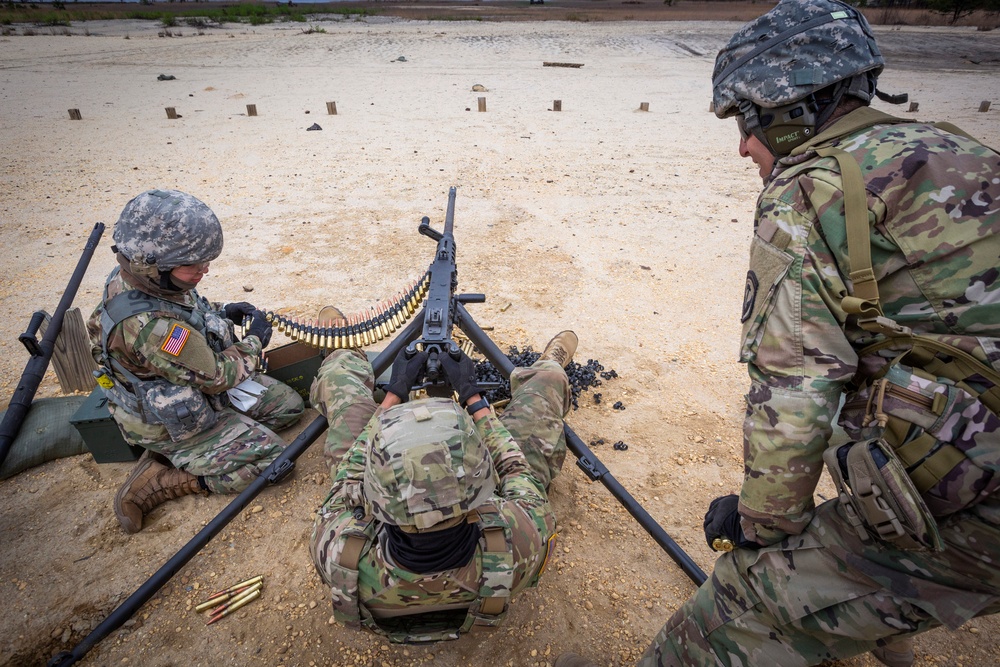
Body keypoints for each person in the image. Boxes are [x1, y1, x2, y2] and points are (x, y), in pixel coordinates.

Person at [637, 0, 1000, 665]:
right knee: (853, 426)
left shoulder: (805, 193)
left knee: (734, 609)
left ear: (790, 112)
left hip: (985, 503)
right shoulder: (962, 148)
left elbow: (794, 397)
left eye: (747, 121)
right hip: (974, 437)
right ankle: (873, 624)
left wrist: (753, 523)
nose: (743, 144)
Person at [308, 325, 577, 642]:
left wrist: (392, 397)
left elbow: (348, 477)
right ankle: (549, 363)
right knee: (548, 382)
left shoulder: (336, 551)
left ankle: (344, 351)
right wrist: (473, 399)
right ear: (481, 485)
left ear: (377, 496)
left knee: (340, 378)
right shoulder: (523, 540)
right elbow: (516, 469)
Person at [87, 189, 305, 534]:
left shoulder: (150, 280)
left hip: (194, 393)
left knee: (288, 407)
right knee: (274, 462)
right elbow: (219, 375)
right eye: (194, 265)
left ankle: (214, 444)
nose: (204, 270)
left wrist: (221, 311)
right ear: (151, 265)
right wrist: (254, 342)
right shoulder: (151, 328)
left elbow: (185, 309)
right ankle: (164, 478)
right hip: (173, 421)